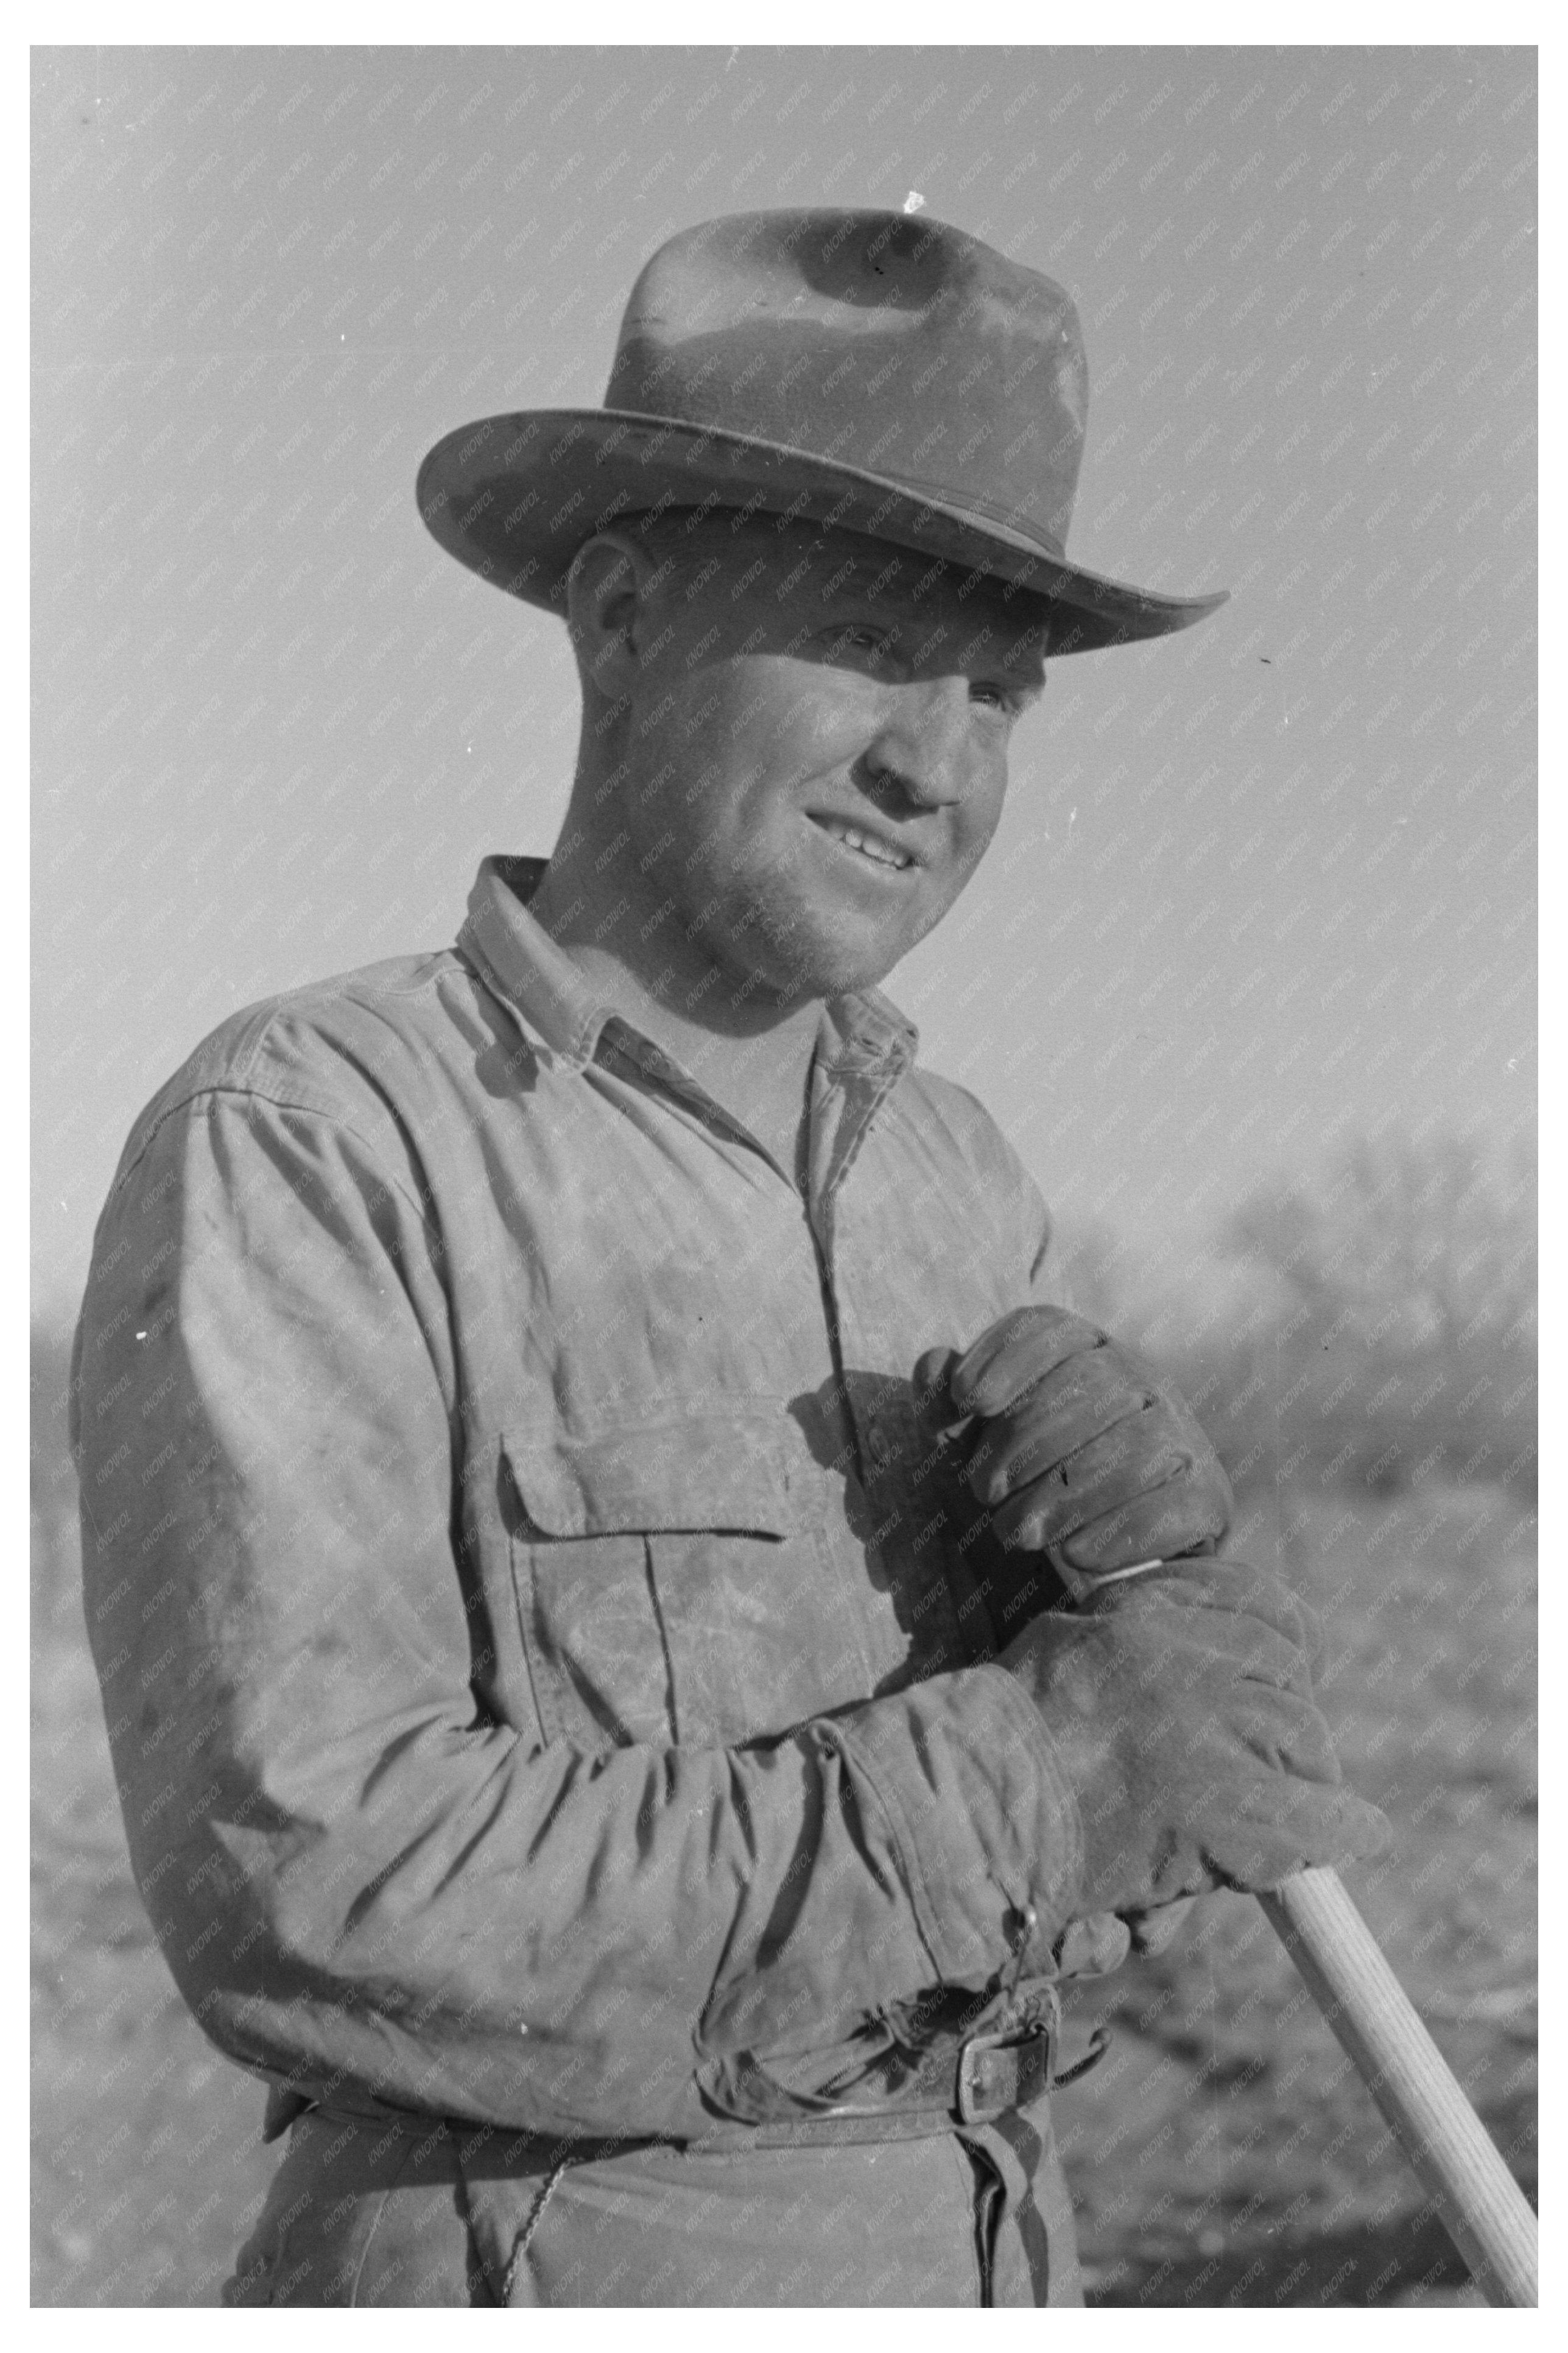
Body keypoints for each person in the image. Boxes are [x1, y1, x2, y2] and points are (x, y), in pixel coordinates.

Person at [72, 209, 1386, 2309]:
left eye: (998, 692)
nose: (936, 766)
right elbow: (310, 1881)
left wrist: (1150, 1627)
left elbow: (1096, 1820)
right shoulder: (321, 1139)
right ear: (617, 613)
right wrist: (1038, 1784)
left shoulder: (959, 1179)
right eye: (872, 643)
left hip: (996, 2245)